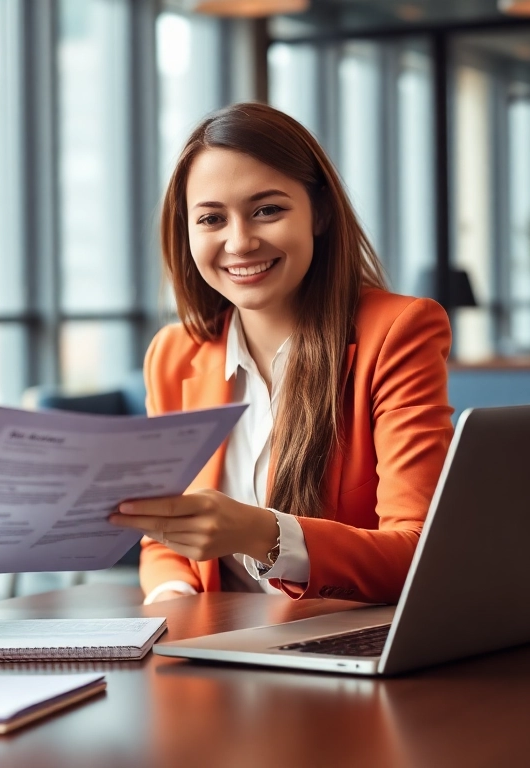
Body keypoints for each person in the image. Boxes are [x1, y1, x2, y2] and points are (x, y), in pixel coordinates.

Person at [108, 103, 453, 605]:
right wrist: (175, 602)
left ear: (321, 213)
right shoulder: (173, 353)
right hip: (213, 656)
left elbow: (419, 553)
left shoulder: (397, 332)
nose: (240, 241)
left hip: (346, 649)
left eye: (267, 210)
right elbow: (164, 543)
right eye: (211, 218)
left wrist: (262, 534)